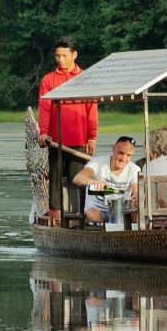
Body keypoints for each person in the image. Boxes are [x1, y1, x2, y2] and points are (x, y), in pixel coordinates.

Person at [39, 37, 98, 221]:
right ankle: (56, 218)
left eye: (64, 55)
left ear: (74, 55)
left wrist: (92, 137)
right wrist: (43, 133)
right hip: (56, 142)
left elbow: (92, 108)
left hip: (79, 141)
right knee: (55, 181)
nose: (60, 59)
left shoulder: (86, 77)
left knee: (77, 180)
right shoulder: (49, 80)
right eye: (57, 55)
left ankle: (78, 218)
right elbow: (45, 108)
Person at [73, 137, 138, 226]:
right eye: (121, 153)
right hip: (97, 211)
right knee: (93, 215)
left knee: (137, 214)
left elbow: (136, 189)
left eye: (128, 155)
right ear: (113, 149)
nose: (123, 158)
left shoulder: (134, 169)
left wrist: (136, 197)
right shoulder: (97, 163)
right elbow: (77, 178)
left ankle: (132, 237)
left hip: (122, 212)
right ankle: (104, 236)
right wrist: (93, 182)